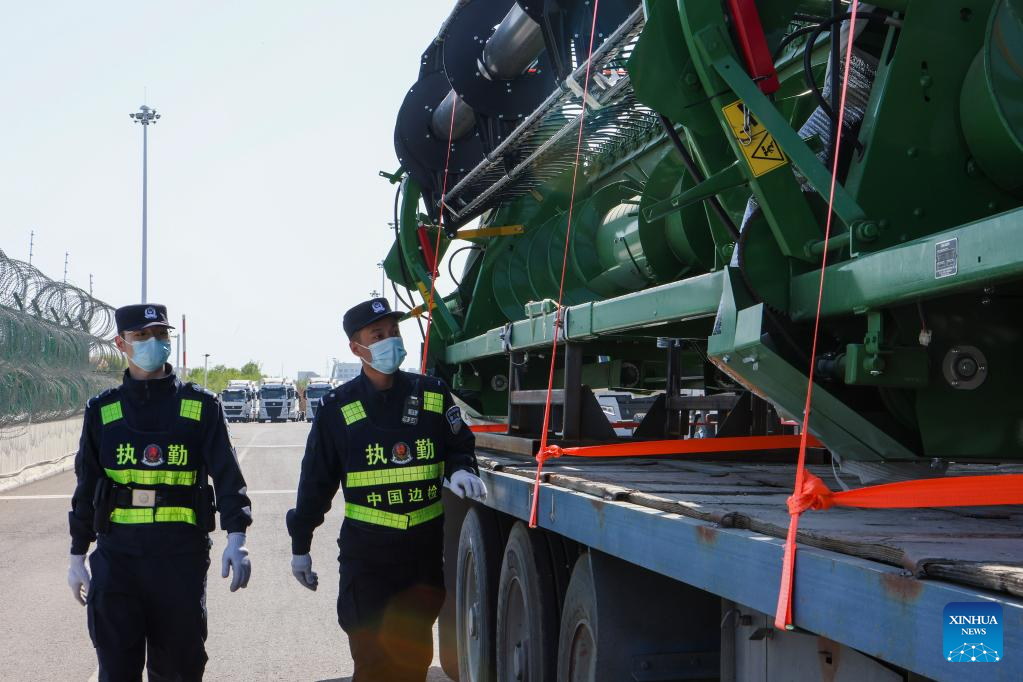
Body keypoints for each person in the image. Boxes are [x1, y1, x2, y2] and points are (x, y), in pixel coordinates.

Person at [287, 297, 486, 681]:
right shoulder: (337, 408)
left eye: (394, 332)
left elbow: (459, 444)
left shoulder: (432, 394)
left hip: (421, 557)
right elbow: (315, 483)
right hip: (368, 559)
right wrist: (301, 546)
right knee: (372, 660)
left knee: (412, 663)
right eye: (377, 335)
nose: (389, 340)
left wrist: (462, 468)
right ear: (356, 348)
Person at [66, 303, 253, 682]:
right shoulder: (103, 411)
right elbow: (86, 487)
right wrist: (76, 555)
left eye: (160, 334)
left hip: (179, 560)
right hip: (118, 561)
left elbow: (228, 477)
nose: (153, 341)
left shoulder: (200, 406)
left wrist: (237, 538)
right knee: (116, 671)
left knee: (179, 670)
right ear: (121, 343)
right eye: (141, 335)